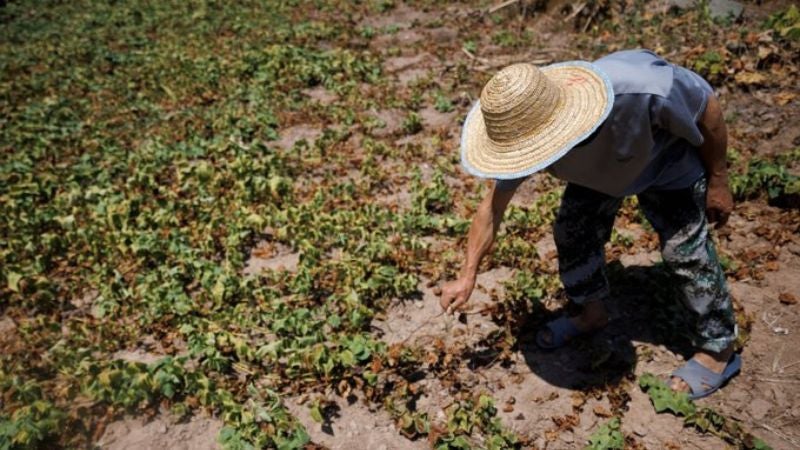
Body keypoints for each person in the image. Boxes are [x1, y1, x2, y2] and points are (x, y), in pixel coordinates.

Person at [440, 49, 740, 399]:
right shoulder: (521, 125)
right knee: (573, 231)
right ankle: (591, 313)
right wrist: (467, 274)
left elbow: (708, 108)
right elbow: (492, 208)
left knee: (685, 252)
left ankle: (719, 349)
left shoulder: (644, 91)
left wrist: (719, 179)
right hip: (598, 175)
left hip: (665, 161)